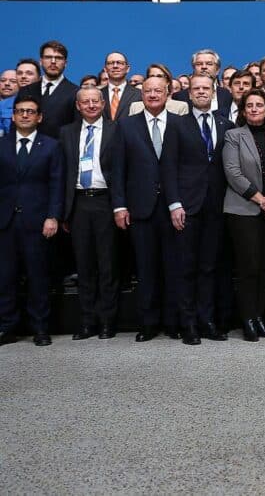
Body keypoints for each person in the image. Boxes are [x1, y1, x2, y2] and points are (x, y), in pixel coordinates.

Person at [160, 75, 234, 344]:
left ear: (214, 93)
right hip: (186, 206)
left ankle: (207, 321)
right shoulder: (177, 125)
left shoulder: (226, 124)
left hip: (218, 205)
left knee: (209, 267)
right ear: (189, 94)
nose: (201, 92)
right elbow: (168, 167)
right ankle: (188, 324)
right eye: (196, 89)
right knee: (186, 267)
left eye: (206, 88)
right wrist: (174, 204)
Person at [111, 76, 183, 340]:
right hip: (139, 208)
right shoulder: (126, 126)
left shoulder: (180, 123)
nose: (153, 95)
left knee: (173, 268)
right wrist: (119, 206)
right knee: (145, 268)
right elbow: (118, 170)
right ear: (141, 94)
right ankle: (148, 323)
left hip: (174, 208)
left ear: (168, 93)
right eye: (148, 91)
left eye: (158, 91)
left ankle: (173, 322)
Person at [0, 94, 64, 346]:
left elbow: (57, 183)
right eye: (20, 111)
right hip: (5, 222)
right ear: (13, 116)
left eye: (30, 111)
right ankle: (7, 326)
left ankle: (40, 328)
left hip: (38, 221)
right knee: (5, 277)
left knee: (38, 277)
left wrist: (53, 216)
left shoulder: (51, 146)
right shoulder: (2, 144)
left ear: (39, 117)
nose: (25, 115)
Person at [222, 89, 265, 342]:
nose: (255, 109)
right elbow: (233, 173)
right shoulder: (233, 135)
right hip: (243, 210)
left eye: (259, 105)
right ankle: (247, 319)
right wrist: (262, 200)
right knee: (248, 267)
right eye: (250, 105)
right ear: (243, 111)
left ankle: (259, 317)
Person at [60, 87, 120, 340]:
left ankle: (107, 321)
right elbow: (62, 173)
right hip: (79, 204)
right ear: (78, 106)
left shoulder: (117, 130)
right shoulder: (66, 132)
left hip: (106, 201)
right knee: (84, 266)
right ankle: (87, 322)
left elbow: (122, 170)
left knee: (107, 265)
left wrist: (120, 206)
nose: (91, 105)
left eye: (96, 101)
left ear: (103, 103)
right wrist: (63, 212)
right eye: (86, 102)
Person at [22, 40, 79, 139]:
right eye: (48, 57)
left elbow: (76, 129)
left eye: (58, 58)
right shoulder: (26, 90)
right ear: (41, 61)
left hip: (60, 146)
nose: (53, 61)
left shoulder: (75, 92)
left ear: (65, 63)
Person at [172, 49, 233, 116]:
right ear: (193, 69)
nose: (204, 67)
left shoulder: (228, 95)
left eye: (209, 64)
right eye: (199, 64)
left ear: (217, 70)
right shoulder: (179, 97)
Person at [100, 51, 141, 120]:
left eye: (119, 63)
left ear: (127, 69)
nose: (115, 66)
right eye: (111, 63)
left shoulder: (139, 94)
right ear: (105, 69)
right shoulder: (98, 95)